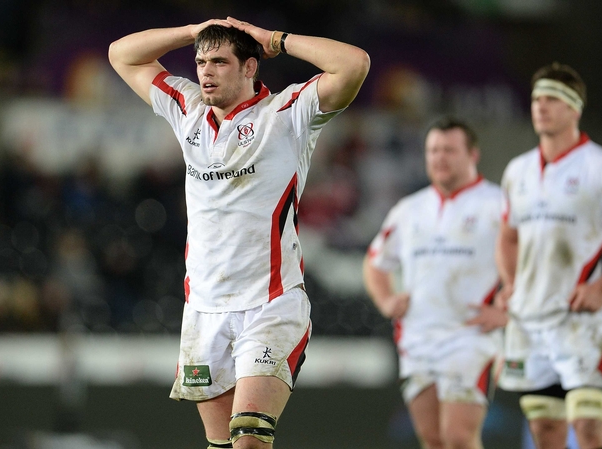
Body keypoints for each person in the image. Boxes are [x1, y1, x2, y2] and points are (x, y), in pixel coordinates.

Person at [109, 17, 369, 449]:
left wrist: (276, 40)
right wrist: (194, 31)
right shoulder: (186, 108)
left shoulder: (286, 114)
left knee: (249, 437)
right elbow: (121, 54)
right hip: (205, 310)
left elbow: (354, 64)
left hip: (271, 305)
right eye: (200, 62)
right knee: (222, 446)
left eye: (219, 62)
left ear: (250, 67)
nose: (205, 71)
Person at [496, 63, 602, 449]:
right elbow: (507, 237)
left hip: (580, 323)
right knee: (545, 433)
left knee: (588, 428)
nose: (541, 106)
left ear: (575, 109)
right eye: (537, 98)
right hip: (529, 321)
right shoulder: (517, 171)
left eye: (553, 99)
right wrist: (509, 284)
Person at [364, 117, 508, 449]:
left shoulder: (499, 204)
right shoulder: (409, 209)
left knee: (459, 438)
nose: (439, 158)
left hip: (470, 337)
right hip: (417, 337)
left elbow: (535, 262)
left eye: (449, 150)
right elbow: (374, 262)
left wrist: (508, 312)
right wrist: (386, 300)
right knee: (433, 439)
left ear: (473, 154)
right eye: (433, 151)